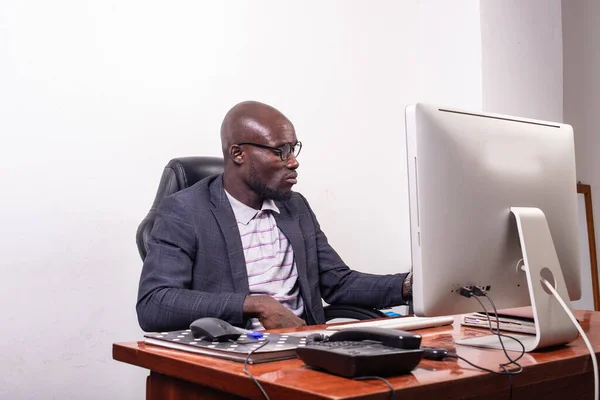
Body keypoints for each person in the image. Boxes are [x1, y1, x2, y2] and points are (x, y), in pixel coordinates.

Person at [136, 101, 412, 332]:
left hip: (304, 351)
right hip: (234, 356)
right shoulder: (185, 210)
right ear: (238, 153)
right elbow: (154, 303)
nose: (293, 161)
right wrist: (256, 304)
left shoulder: (295, 207)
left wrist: (409, 285)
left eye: (293, 148)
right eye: (281, 151)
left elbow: (338, 283)